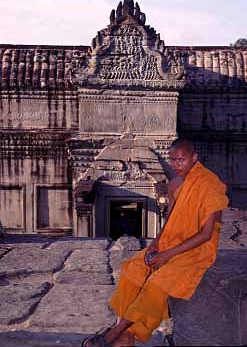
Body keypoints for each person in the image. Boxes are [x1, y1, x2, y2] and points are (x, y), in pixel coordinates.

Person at [82, 138, 229, 347]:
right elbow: (170, 219)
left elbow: (205, 235)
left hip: (197, 249)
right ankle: (128, 337)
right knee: (132, 270)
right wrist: (156, 244)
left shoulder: (210, 184)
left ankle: (116, 333)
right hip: (171, 242)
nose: (176, 165)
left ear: (194, 158)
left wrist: (167, 255)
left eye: (181, 160)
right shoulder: (176, 183)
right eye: (172, 160)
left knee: (158, 283)